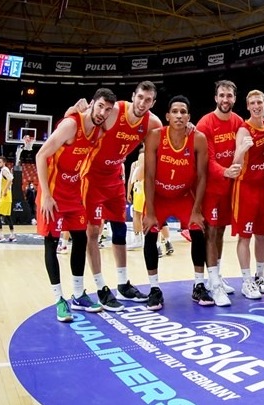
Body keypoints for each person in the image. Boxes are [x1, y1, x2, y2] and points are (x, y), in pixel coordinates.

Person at [35, 87, 117, 321]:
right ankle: (58, 299)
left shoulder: (98, 131)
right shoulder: (71, 125)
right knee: (51, 243)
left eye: (107, 110)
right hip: (52, 192)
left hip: (73, 192)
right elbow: (40, 155)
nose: (103, 112)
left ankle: (79, 295)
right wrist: (46, 195)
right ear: (91, 103)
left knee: (81, 239)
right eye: (100, 106)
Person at [80, 81, 163, 311]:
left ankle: (123, 284)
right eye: (140, 97)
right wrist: (73, 111)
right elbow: (81, 122)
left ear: (153, 103)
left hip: (115, 177)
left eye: (148, 100)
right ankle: (100, 287)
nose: (142, 103)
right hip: (92, 177)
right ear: (133, 96)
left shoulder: (153, 123)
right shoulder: (114, 111)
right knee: (93, 232)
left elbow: (163, 145)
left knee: (119, 231)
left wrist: (188, 129)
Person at [142, 95, 212, 309]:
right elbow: (149, 176)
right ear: (167, 116)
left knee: (198, 231)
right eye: (175, 112)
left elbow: (202, 177)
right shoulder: (155, 136)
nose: (179, 115)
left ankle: (199, 285)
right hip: (159, 197)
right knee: (150, 233)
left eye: (183, 112)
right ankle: (154, 288)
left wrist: (197, 210)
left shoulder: (198, 138)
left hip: (183, 197)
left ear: (189, 117)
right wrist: (150, 213)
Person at [196, 80, 244, 306]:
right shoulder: (205, 123)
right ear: (215, 98)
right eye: (222, 95)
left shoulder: (238, 122)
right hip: (211, 188)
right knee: (211, 231)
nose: (225, 99)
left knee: (221, 231)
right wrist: (225, 171)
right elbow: (208, 159)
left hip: (229, 187)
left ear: (234, 98)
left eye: (229, 96)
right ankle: (213, 284)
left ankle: (217, 276)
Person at [231, 90, 264, 299]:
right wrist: (242, 149)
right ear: (248, 107)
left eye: (259, 102)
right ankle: (246, 281)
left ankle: (260, 276)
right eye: (253, 103)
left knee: (262, 235)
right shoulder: (243, 130)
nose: (256, 106)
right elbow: (235, 163)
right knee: (245, 236)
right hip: (245, 188)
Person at [0, 156, 17, 243]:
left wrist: (5, 190)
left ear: (4, 162)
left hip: (6, 196)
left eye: (0, 162)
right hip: (6, 196)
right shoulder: (4, 170)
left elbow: (10, 179)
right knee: (7, 216)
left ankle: (1, 236)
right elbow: (8, 182)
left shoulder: (4, 170)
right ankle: (12, 235)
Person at [126, 149, 145, 251]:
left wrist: (128, 192)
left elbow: (131, 179)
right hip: (149, 190)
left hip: (140, 189)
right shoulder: (154, 161)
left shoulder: (136, 164)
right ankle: (159, 241)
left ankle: (138, 240)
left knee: (137, 214)